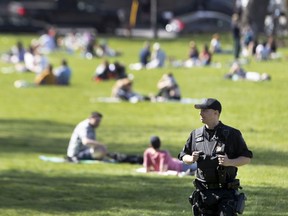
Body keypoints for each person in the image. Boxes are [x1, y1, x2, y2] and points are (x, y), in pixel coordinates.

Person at [178, 98, 253, 215]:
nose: (200, 113)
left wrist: (229, 162)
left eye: (204, 110)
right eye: (200, 110)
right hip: (203, 194)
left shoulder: (232, 134)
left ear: (216, 113)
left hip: (226, 193)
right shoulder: (195, 134)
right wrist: (191, 159)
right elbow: (183, 155)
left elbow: (247, 157)